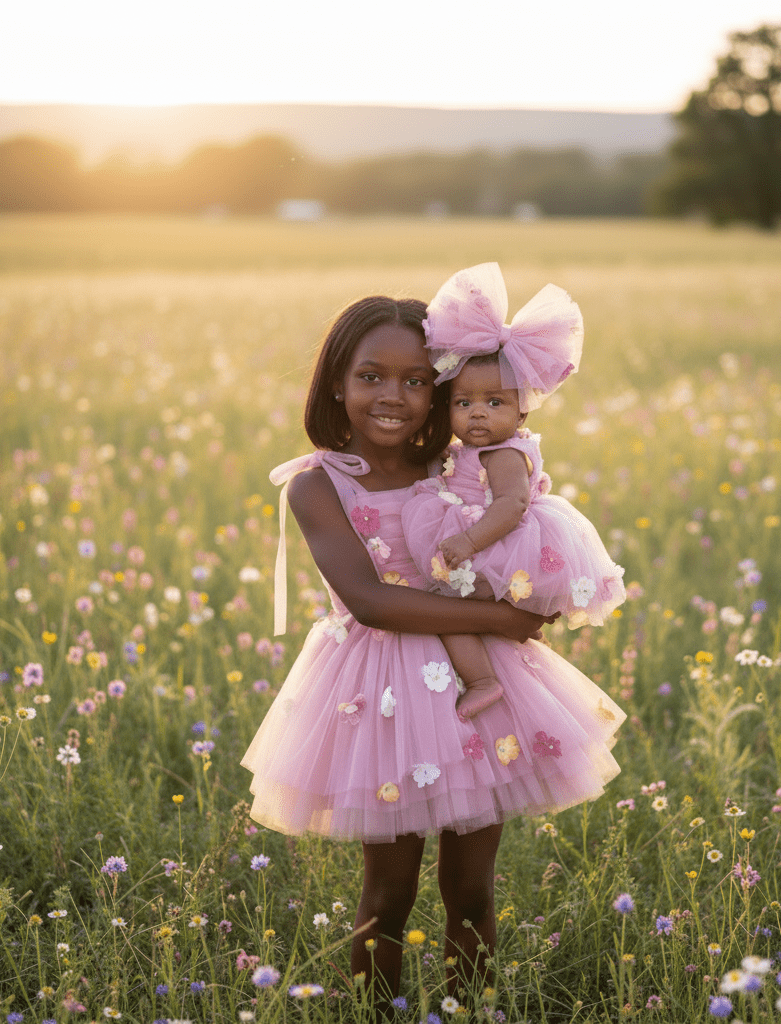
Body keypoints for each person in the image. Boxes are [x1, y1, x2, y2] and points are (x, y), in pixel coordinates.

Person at [240, 293, 624, 1007]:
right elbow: (370, 599)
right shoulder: (317, 484)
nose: (394, 396)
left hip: (481, 688)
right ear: (335, 382)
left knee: (472, 888)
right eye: (371, 376)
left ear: (443, 390)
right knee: (386, 893)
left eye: (417, 381)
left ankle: (469, 1007)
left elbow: (519, 524)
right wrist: (498, 618)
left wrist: (531, 589)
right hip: (378, 694)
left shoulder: (460, 464)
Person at [402, 263, 627, 719]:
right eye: (464, 403)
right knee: (460, 608)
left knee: (444, 606)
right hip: (489, 542)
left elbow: (512, 503)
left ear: (522, 412)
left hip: (496, 542)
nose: (477, 414)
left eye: (495, 402)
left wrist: (467, 541)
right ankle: (505, 652)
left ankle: (483, 681)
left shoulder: (504, 455)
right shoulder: (468, 449)